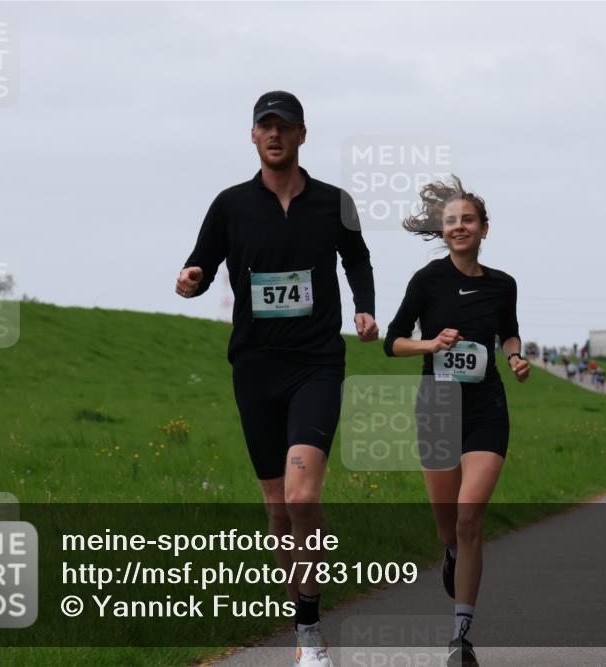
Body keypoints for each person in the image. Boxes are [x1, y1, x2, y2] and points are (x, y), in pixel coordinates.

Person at [176, 91, 378, 667]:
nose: (275, 135)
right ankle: (301, 620)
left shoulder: (335, 202)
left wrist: (364, 307)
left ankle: (311, 633)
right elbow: (201, 261)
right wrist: (190, 279)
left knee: (302, 494)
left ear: (302, 135)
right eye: (265, 126)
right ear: (253, 136)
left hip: (316, 362)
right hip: (255, 366)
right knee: (277, 509)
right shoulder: (231, 205)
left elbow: (357, 258)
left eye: (285, 126)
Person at [384, 175, 528, 667]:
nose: (459, 226)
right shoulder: (427, 280)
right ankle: (449, 555)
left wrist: (514, 358)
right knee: (449, 527)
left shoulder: (503, 284)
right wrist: (431, 344)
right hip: (438, 409)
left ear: (484, 229)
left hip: (487, 411)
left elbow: (508, 334)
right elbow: (394, 340)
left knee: (470, 517)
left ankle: (460, 637)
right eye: (451, 221)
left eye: (468, 219)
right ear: (442, 231)